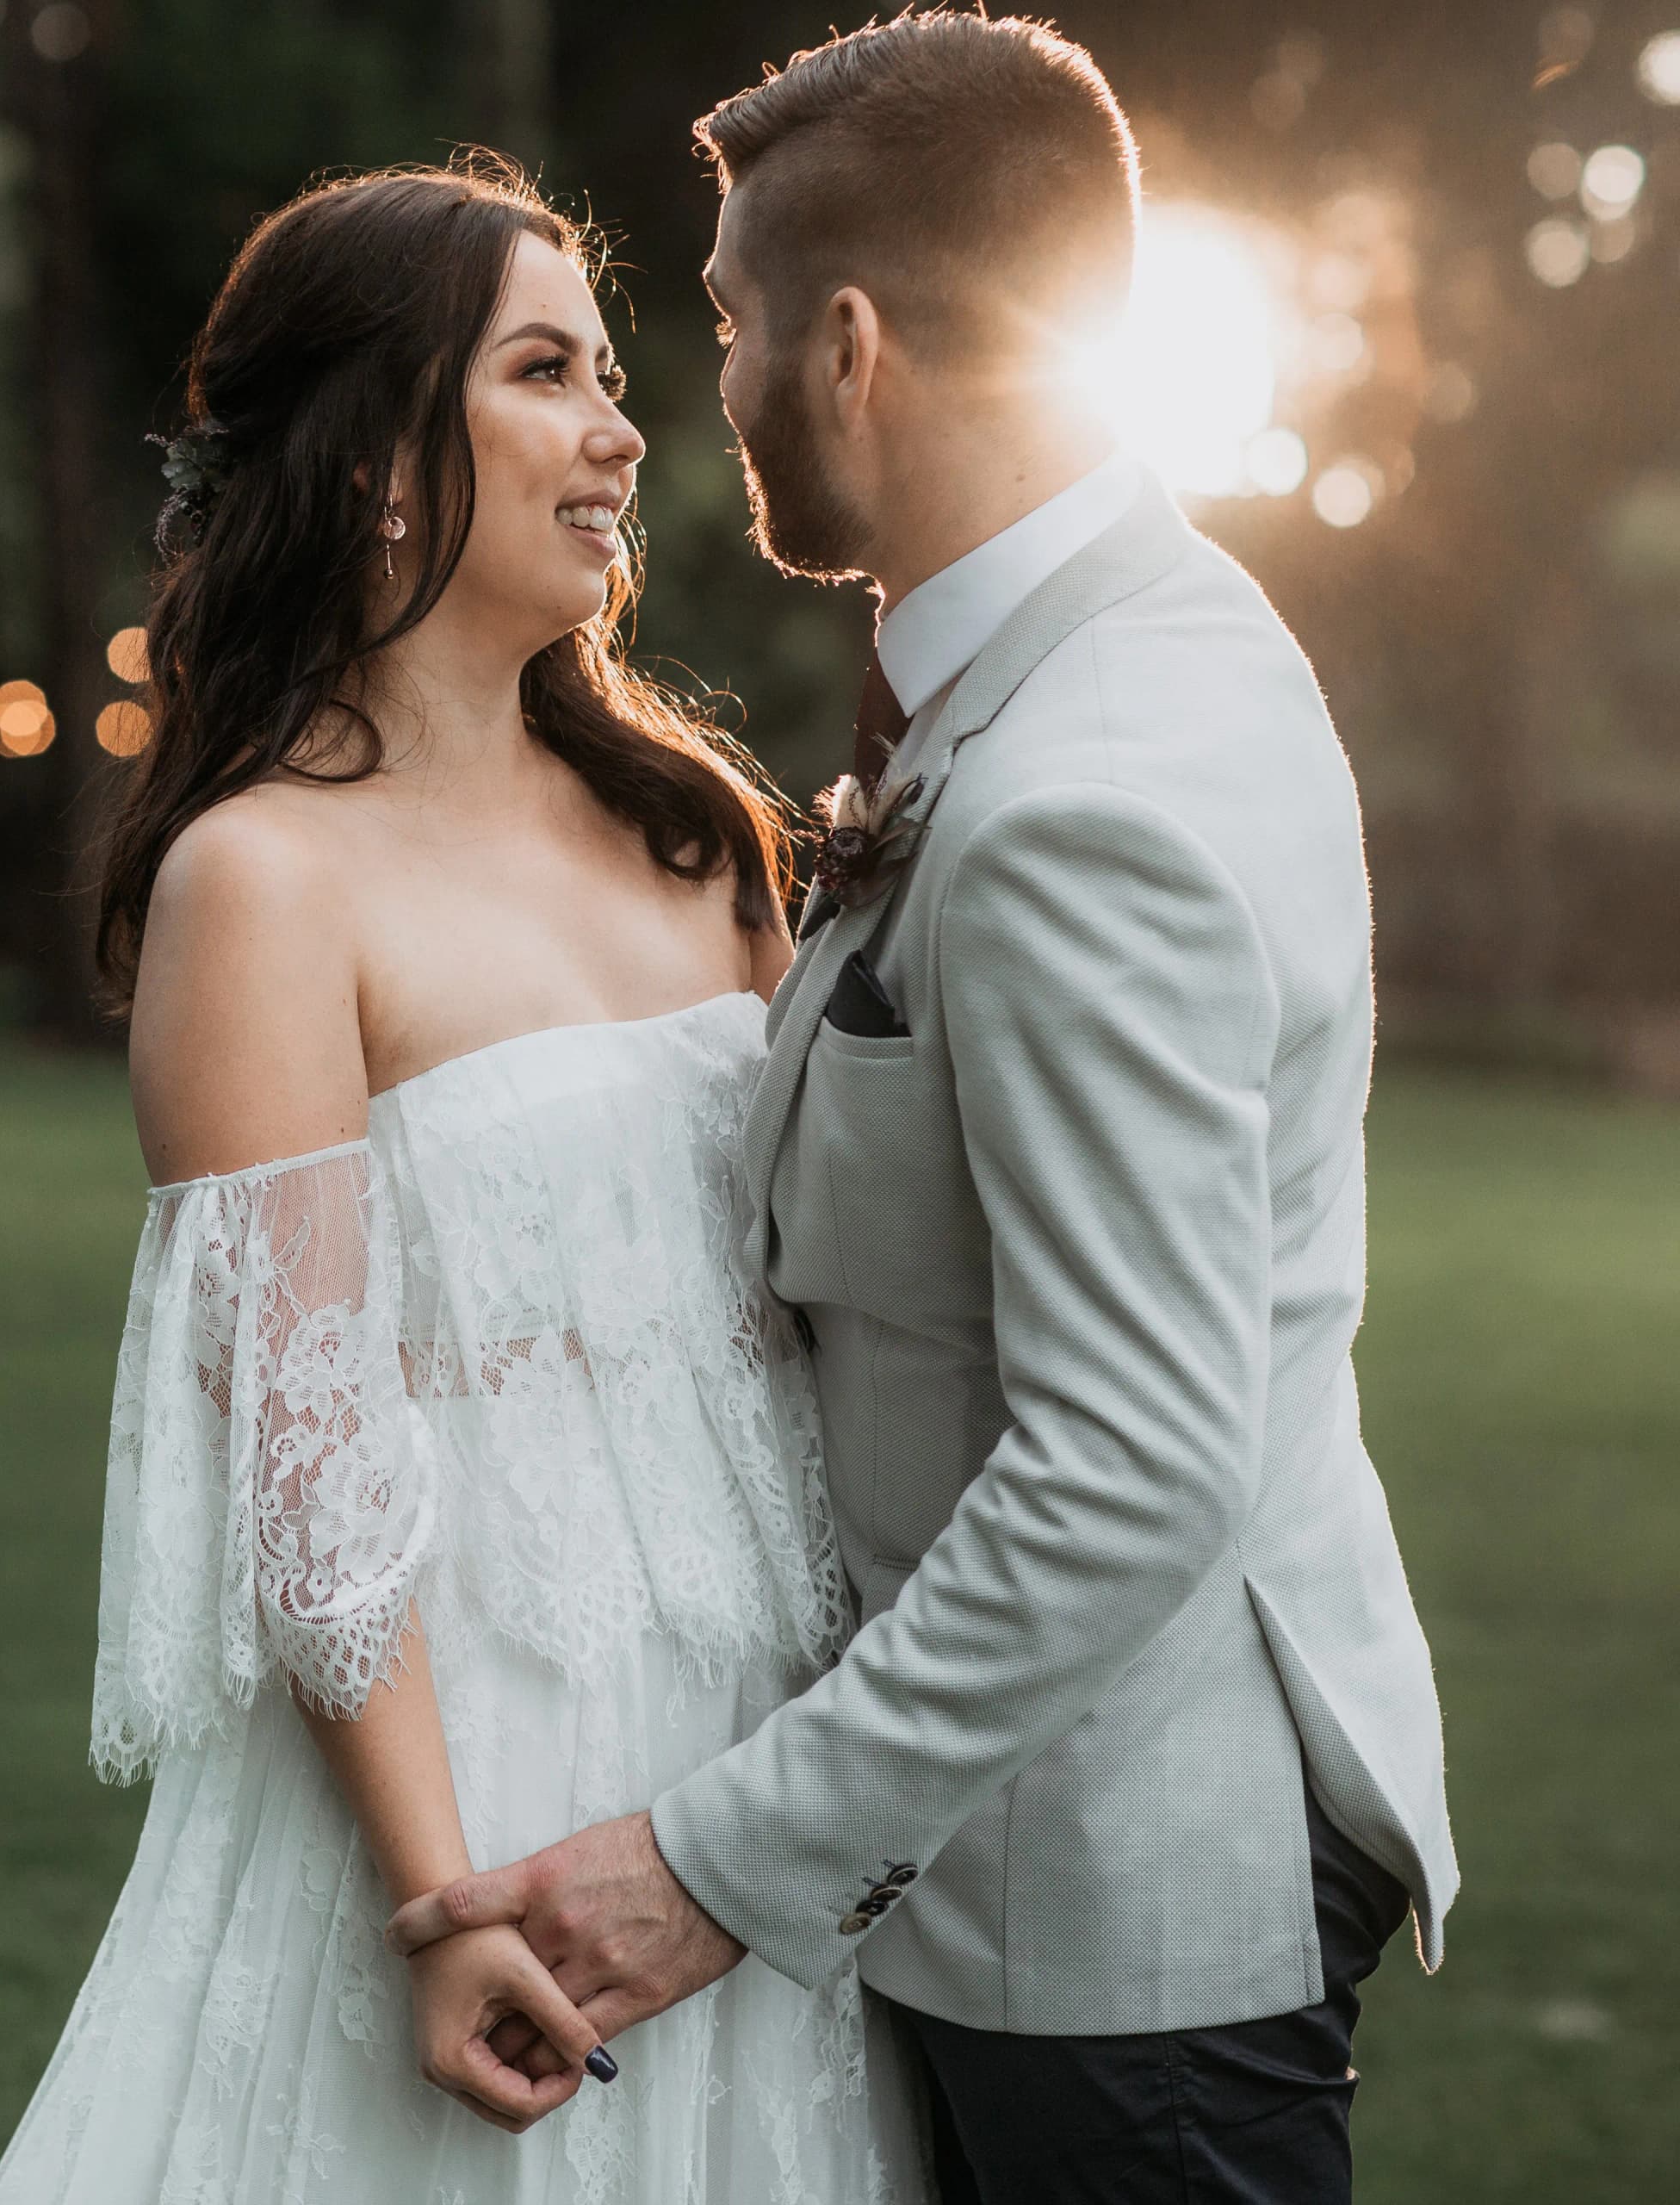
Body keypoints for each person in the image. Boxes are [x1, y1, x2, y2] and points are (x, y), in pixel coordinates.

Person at [384, 18, 1460, 2205]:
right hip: (1025, 1871)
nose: (713, 388)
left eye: (726, 324)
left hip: (1113, 1909)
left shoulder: (1084, 795)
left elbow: (1132, 1460)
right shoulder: (1116, 652)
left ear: (849, 343)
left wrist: (711, 1861)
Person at [0, 156, 918, 2204]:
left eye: (613, 372)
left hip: (758, 1767)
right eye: (545, 372)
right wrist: (439, 1895)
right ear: (385, 462)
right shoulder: (263, 881)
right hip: (471, 1762)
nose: (621, 430)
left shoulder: (702, 838)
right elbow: (308, 1450)